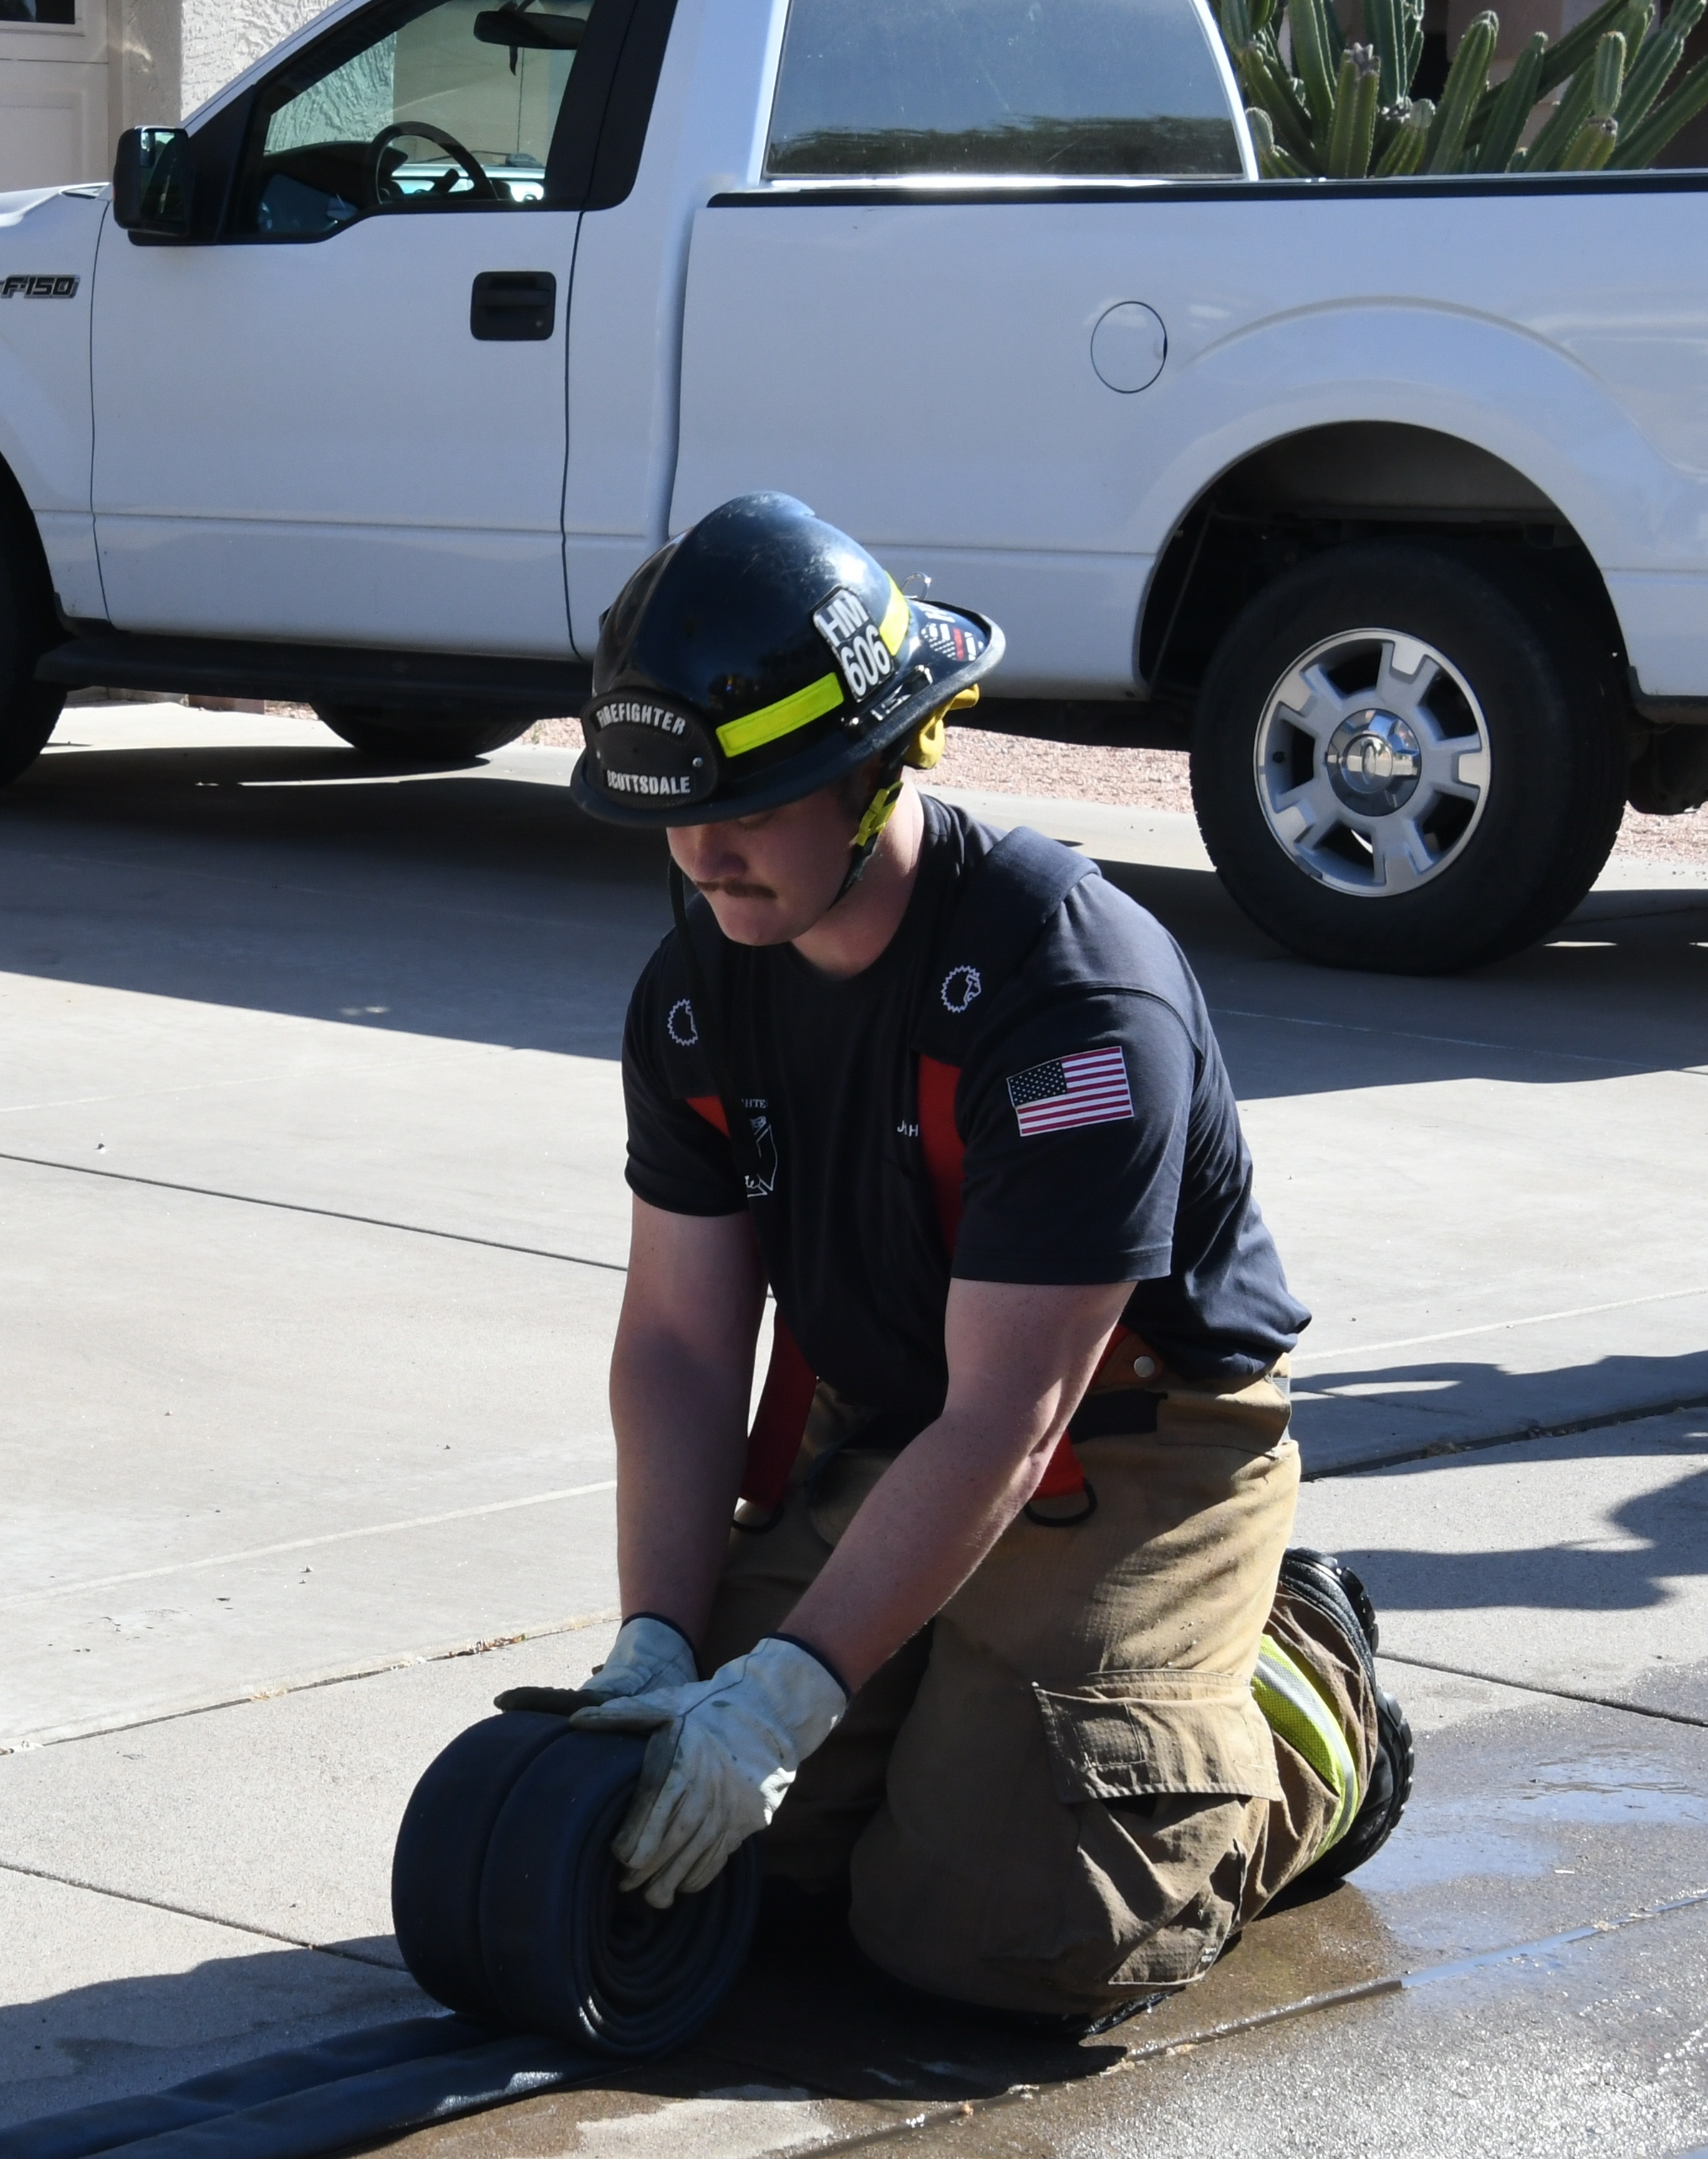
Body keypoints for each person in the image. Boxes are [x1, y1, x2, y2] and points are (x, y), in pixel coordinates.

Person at [557, 492, 1410, 2026]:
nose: (702, 852)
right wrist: (662, 1646)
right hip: (890, 1427)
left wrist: (783, 1702)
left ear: (877, 764)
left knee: (1001, 1927)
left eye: (750, 802)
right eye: (674, 812)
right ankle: (940, 1728)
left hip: (1125, 1441)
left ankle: (1299, 1701)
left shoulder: (1068, 997)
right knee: (675, 1851)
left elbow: (1011, 1414)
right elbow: (682, 1341)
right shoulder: (696, 991)